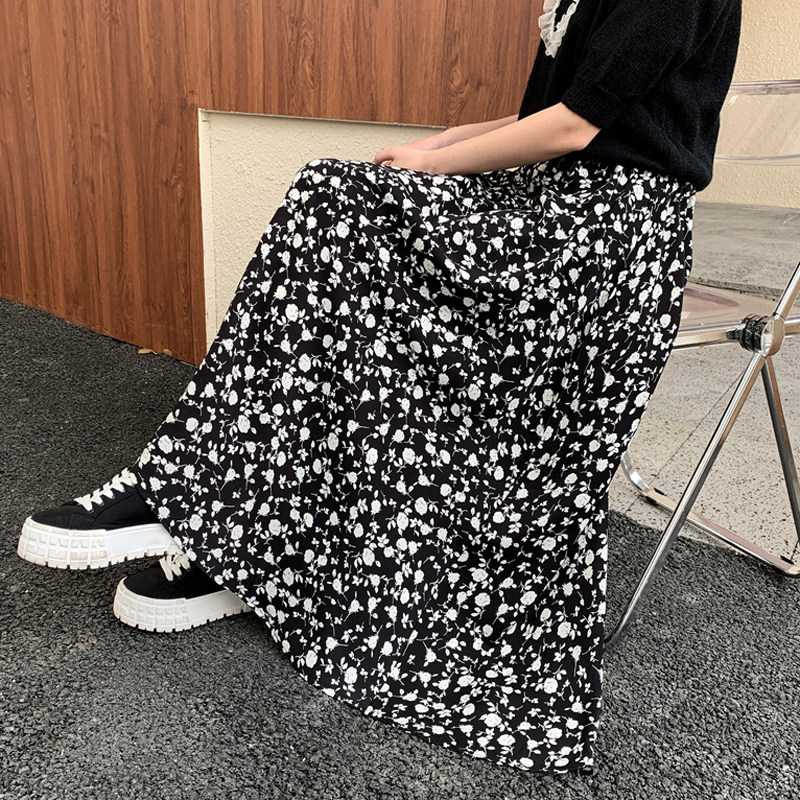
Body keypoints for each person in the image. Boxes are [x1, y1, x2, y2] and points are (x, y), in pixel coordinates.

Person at [17, 0, 742, 774]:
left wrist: (433, 166)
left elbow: (571, 128)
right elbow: (552, 110)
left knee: (337, 207)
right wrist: (438, 143)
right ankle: (238, 530)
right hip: (548, 212)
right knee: (341, 236)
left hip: (602, 246)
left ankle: (193, 496)